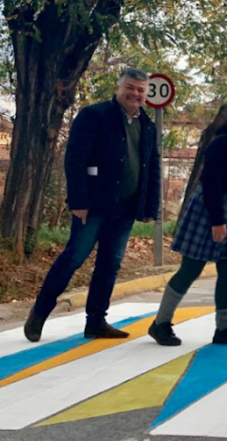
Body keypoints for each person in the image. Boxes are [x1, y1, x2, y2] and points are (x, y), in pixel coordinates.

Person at [24, 68, 161, 342]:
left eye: (140, 90)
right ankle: (39, 313)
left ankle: (96, 321)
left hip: (126, 207)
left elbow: (153, 167)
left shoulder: (147, 125)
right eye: (130, 88)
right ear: (119, 87)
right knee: (74, 257)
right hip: (94, 205)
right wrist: (79, 200)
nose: (135, 94)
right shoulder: (94, 116)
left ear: (146, 94)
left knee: (110, 264)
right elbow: (75, 159)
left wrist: (149, 208)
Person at [148, 96, 227, 346]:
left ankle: (224, 328)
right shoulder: (223, 143)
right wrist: (217, 220)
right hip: (209, 209)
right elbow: (211, 182)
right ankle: (160, 323)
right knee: (191, 269)